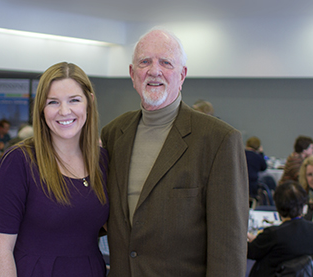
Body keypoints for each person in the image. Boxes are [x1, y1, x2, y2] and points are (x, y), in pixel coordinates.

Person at [100, 28, 248, 276]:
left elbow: (228, 244)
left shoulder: (218, 140)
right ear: (132, 73)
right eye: (145, 62)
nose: (154, 70)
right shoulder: (114, 134)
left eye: (166, 62)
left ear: (182, 75)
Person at [0, 62, 109, 277]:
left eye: (74, 100)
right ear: (41, 109)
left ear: (89, 102)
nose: (64, 111)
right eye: (53, 102)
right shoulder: (19, 162)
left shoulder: (102, 161)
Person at [247, 180, 313, 276]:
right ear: (304, 205)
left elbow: (249, 252)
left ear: (277, 206)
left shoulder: (273, 234)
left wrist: (253, 239)